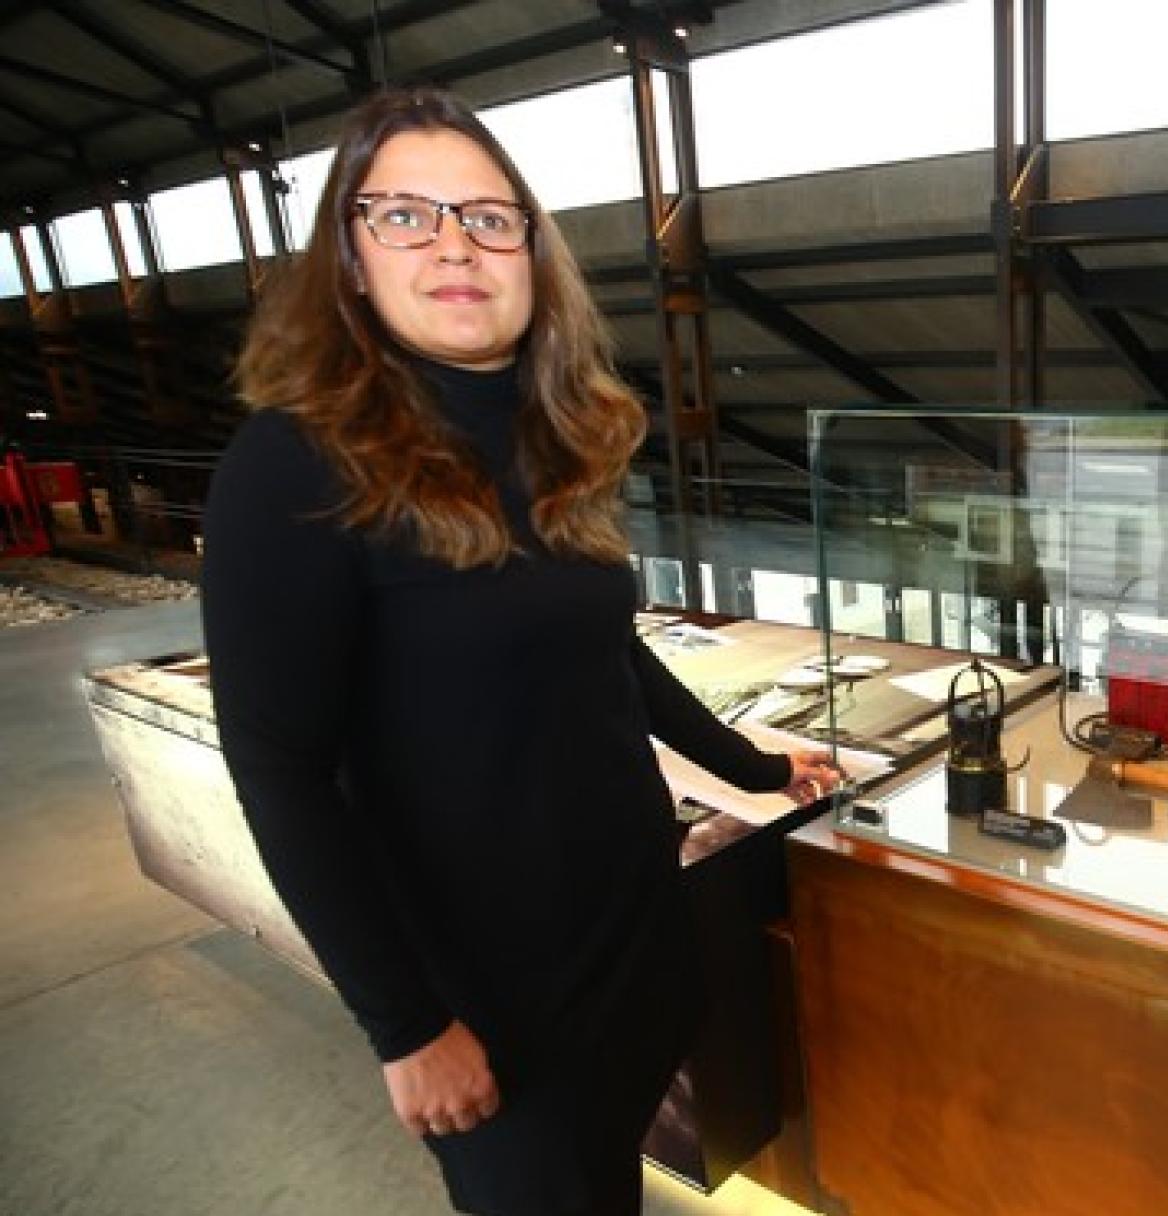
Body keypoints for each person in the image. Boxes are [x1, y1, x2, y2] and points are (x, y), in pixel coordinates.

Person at [200, 85, 841, 1216]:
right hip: (486, 991)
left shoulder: (555, 437)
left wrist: (755, 767)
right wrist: (407, 1027)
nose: (454, 244)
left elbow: (607, 654)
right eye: (406, 214)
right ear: (349, 257)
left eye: (489, 218)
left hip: (628, 938)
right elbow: (279, 771)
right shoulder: (292, 462)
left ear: (533, 255)